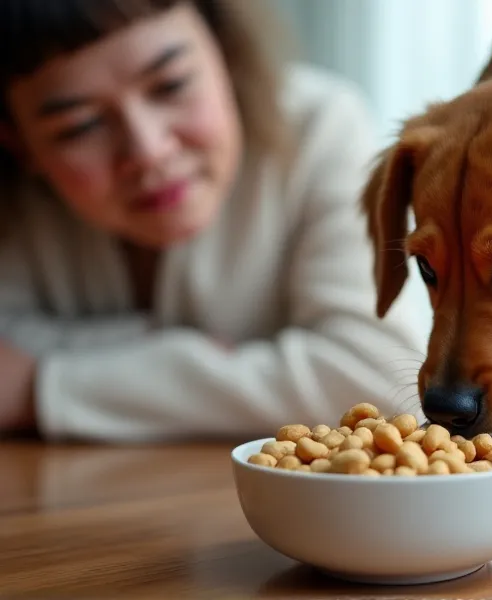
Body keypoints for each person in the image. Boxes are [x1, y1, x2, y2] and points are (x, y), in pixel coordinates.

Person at [0, 0, 430, 442]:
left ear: (225, 50)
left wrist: (42, 388)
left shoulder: (319, 126)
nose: (149, 150)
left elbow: (374, 378)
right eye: (80, 125)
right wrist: (162, 343)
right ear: (16, 142)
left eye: (171, 85)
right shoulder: (14, 199)